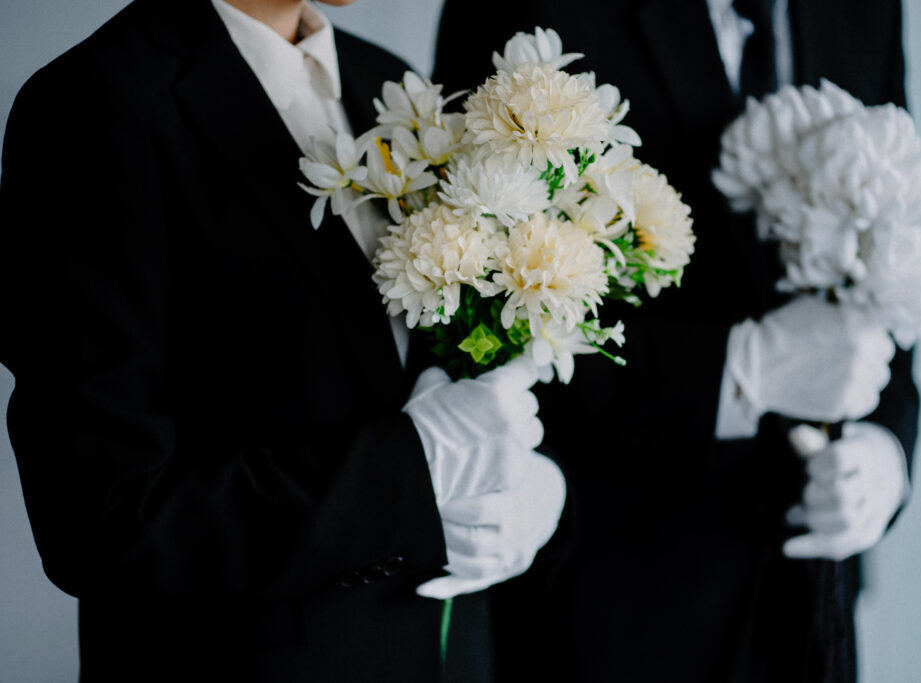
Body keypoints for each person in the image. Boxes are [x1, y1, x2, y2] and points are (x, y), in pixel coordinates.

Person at [0, 0, 567, 680]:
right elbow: (103, 520)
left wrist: (535, 486)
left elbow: (449, 360)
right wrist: (409, 466)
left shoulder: (391, 82)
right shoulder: (97, 101)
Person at [433, 0, 918, 681]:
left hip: (810, 603)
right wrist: (734, 372)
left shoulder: (866, 14)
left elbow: (899, 250)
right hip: (612, 602)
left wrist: (887, 451)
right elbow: (471, 306)